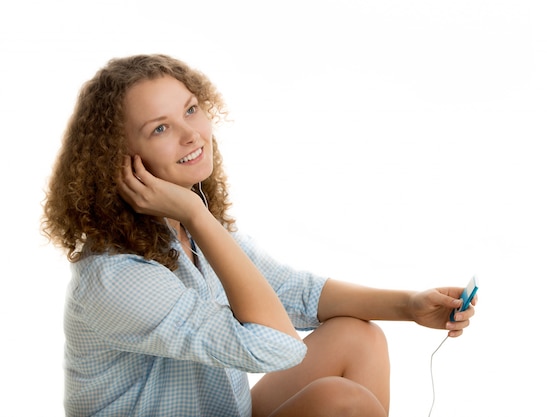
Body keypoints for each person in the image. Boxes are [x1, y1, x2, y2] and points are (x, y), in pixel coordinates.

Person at [42, 54, 476, 417]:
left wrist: (411, 305)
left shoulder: (189, 234)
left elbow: (295, 292)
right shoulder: (117, 278)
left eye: (191, 110)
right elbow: (278, 348)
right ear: (119, 161)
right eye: (160, 128)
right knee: (340, 402)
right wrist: (196, 212)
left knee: (358, 337)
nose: (192, 134)